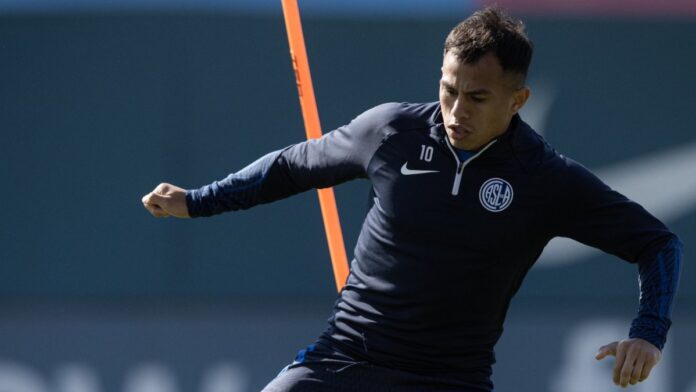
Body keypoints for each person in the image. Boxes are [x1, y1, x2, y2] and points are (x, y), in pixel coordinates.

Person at [141, 7, 682, 391]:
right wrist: (199, 200)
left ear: (518, 101)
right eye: (449, 89)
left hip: (449, 379)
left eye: (477, 98)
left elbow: (657, 243)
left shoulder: (546, 179)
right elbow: (292, 166)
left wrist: (648, 334)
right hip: (345, 360)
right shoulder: (390, 130)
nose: (456, 110)